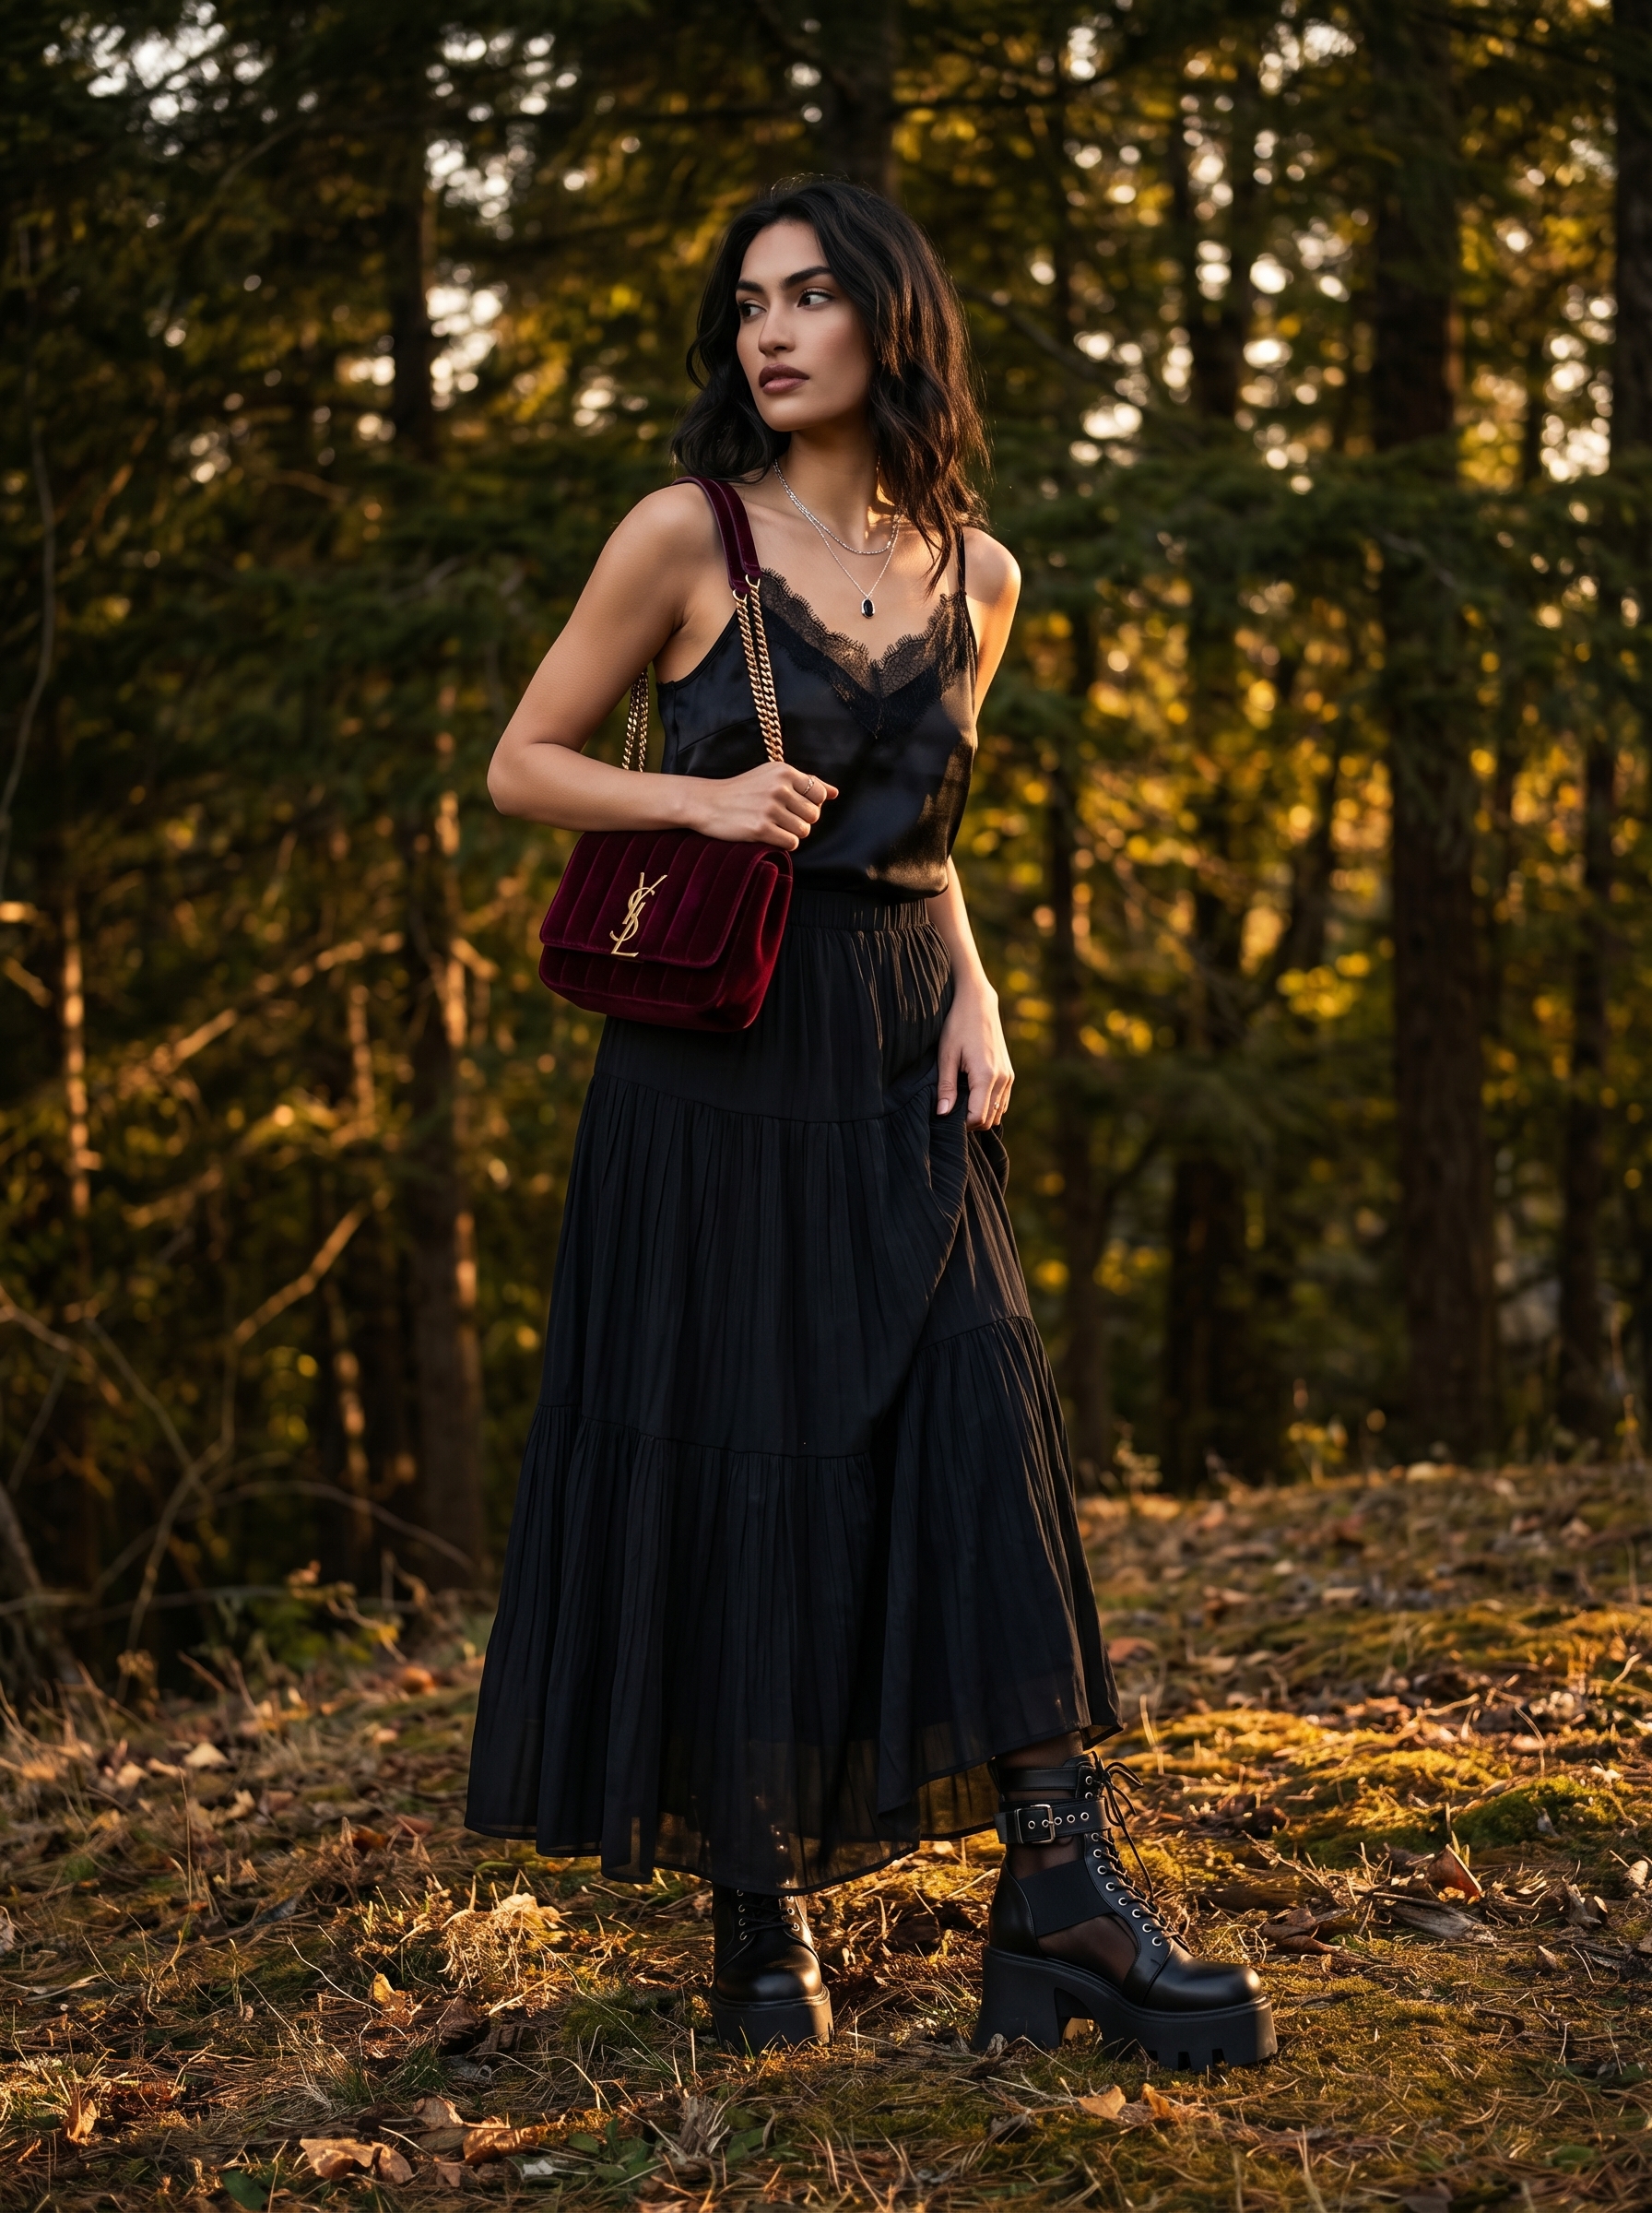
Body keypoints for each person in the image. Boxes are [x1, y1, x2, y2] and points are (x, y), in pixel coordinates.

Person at [467, 177, 1272, 2071]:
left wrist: (975, 989)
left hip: (905, 1044)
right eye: (749, 302)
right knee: (744, 1452)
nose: (771, 331)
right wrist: (699, 803)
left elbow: (927, 831)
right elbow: (523, 764)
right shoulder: (687, 533)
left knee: (977, 1420)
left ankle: (1060, 1895)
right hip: (717, 1063)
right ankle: (756, 1911)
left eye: (810, 295)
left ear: (888, 320)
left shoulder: (977, 574)